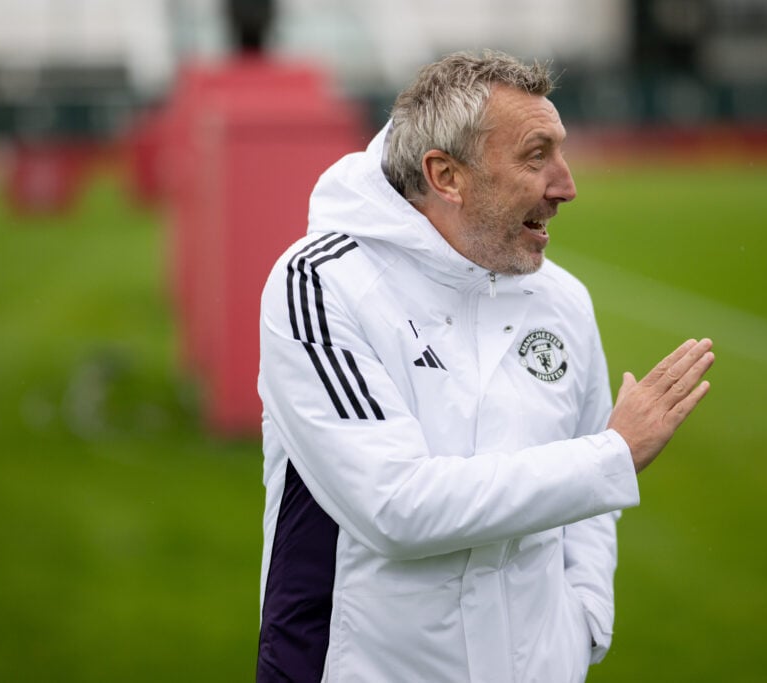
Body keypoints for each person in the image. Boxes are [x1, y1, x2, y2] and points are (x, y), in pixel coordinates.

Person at [255, 50, 714, 682]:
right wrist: (612, 455)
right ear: (446, 175)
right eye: (536, 155)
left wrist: (582, 624)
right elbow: (395, 506)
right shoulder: (320, 284)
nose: (566, 185)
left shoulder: (562, 300)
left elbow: (592, 504)